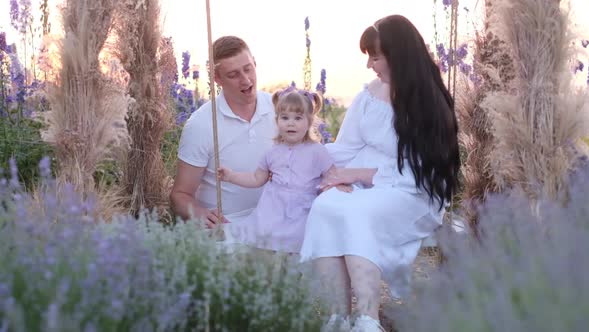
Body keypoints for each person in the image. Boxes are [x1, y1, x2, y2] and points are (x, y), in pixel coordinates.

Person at [300, 15, 460, 331]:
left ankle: (367, 318)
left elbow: (421, 171)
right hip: (365, 184)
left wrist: (357, 174)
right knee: (326, 206)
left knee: (359, 213)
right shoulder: (369, 95)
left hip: (413, 192)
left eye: (375, 56)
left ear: (397, 54)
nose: (370, 65)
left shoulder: (428, 102)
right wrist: (309, 159)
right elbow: (346, 147)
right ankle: (338, 316)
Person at [170, 36, 276, 231]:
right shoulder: (201, 124)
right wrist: (199, 213)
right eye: (233, 74)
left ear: (255, 63)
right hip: (228, 226)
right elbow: (180, 195)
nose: (245, 80)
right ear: (216, 78)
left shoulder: (279, 109)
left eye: (248, 68)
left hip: (277, 219)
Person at [217, 88, 338, 253]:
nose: (290, 123)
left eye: (298, 118)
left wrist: (337, 185)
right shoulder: (272, 152)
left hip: (302, 210)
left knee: (299, 239)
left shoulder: (317, 151)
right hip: (273, 209)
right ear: (277, 120)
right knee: (264, 240)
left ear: (309, 122)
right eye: (285, 117)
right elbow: (256, 178)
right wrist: (231, 176)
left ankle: (291, 265)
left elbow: (333, 176)